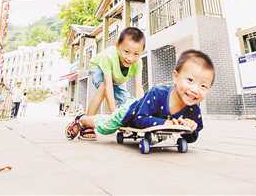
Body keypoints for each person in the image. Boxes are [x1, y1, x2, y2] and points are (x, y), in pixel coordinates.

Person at [65, 50, 215, 143]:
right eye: (190, 80)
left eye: (203, 86)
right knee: (107, 126)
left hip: (146, 114)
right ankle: (82, 119)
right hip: (131, 111)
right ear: (175, 77)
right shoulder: (158, 93)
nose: (195, 90)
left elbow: (191, 138)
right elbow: (139, 119)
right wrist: (167, 122)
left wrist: (190, 127)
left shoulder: (193, 109)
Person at [81, 27, 146, 140]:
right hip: (99, 69)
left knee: (127, 100)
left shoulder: (138, 63)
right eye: (126, 52)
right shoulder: (109, 56)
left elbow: (139, 88)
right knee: (103, 87)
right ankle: (87, 124)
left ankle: (129, 122)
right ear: (117, 46)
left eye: (136, 54)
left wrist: (143, 111)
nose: (130, 58)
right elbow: (108, 87)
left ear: (141, 53)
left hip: (115, 79)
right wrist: (114, 113)